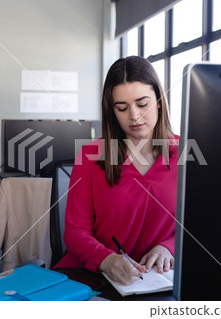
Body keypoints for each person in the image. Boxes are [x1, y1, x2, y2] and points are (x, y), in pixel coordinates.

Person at [54, 56, 178, 285]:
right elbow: (75, 232)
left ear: (159, 101)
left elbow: (198, 223)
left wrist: (168, 246)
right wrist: (106, 259)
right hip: (93, 277)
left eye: (143, 104)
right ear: (112, 111)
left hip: (157, 279)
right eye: (122, 108)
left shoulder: (184, 153)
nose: (134, 116)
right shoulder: (91, 156)